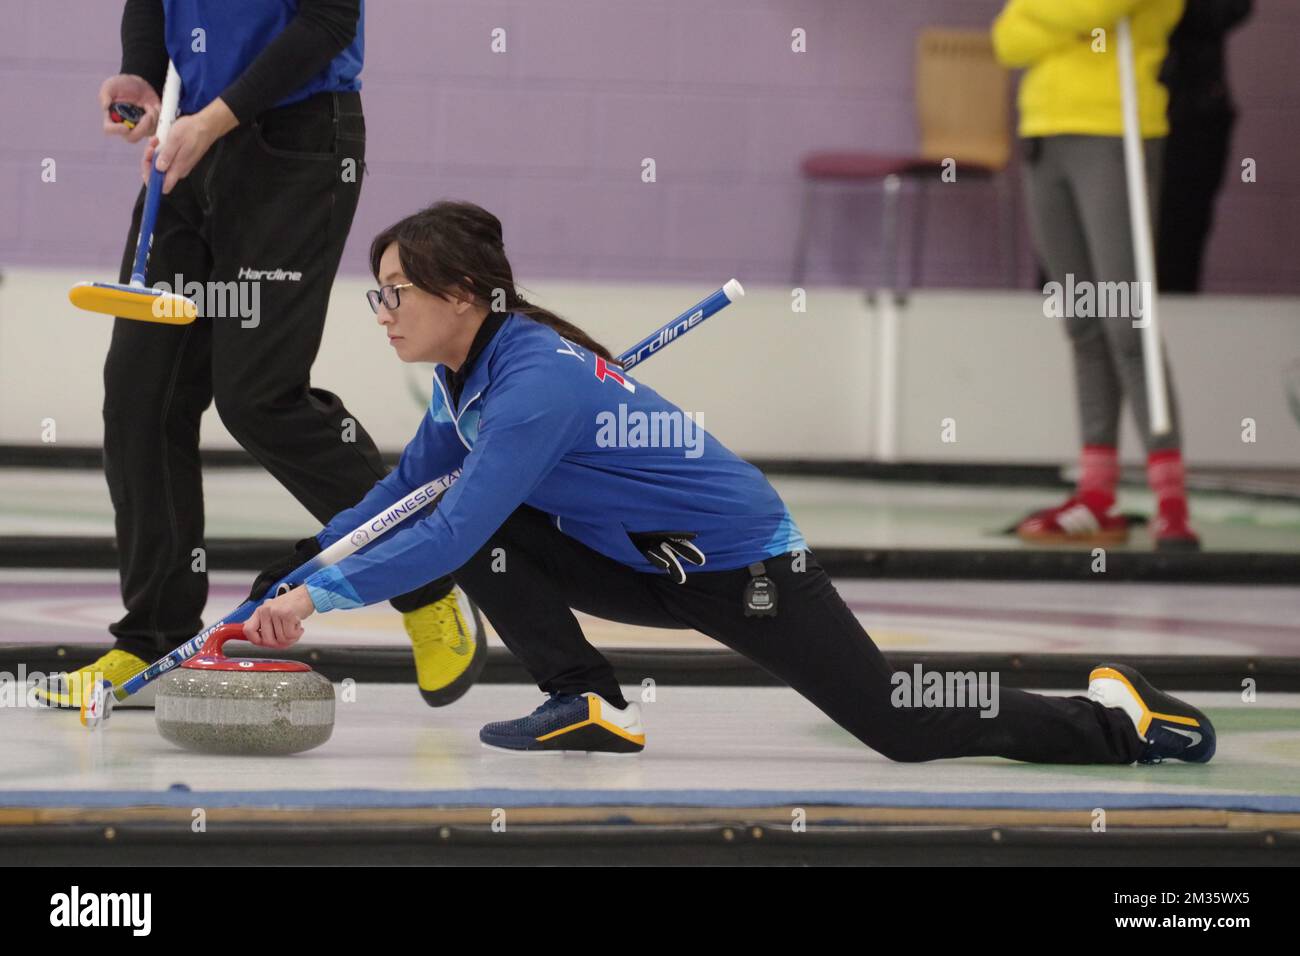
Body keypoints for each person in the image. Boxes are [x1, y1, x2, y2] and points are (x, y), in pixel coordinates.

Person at [240, 199, 1215, 766]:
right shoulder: (466, 381)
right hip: (640, 562)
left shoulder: (531, 382)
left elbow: (446, 533)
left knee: (895, 722)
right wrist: (299, 568)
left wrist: (321, 598)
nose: (380, 310)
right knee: (497, 531)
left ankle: (1116, 717)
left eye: (393, 291)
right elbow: (405, 494)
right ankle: (584, 698)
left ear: (460, 295)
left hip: (745, 567)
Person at [40, 0, 483, 710]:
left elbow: (328, 23)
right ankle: (151, 641)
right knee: (140, 397)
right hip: (191, 143)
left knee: (260, 396)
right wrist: (141, 75)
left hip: (297, 148)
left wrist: (216, 118)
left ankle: (425, 582)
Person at [992, 0, 1200, 550]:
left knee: (1125, 321)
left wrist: (1050, 17)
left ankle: (1171, 501)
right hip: (1044, 132)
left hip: (1116, 131)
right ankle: (1097, 494)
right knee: (1084, 320)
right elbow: (1007, 40)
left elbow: (1099, 6)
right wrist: (1066, 19)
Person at [1157, 0, 1253, 292]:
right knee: (1077, 260)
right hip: (1098, 120)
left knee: (1175, 255)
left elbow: (1232, 9)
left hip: (1191, 115)